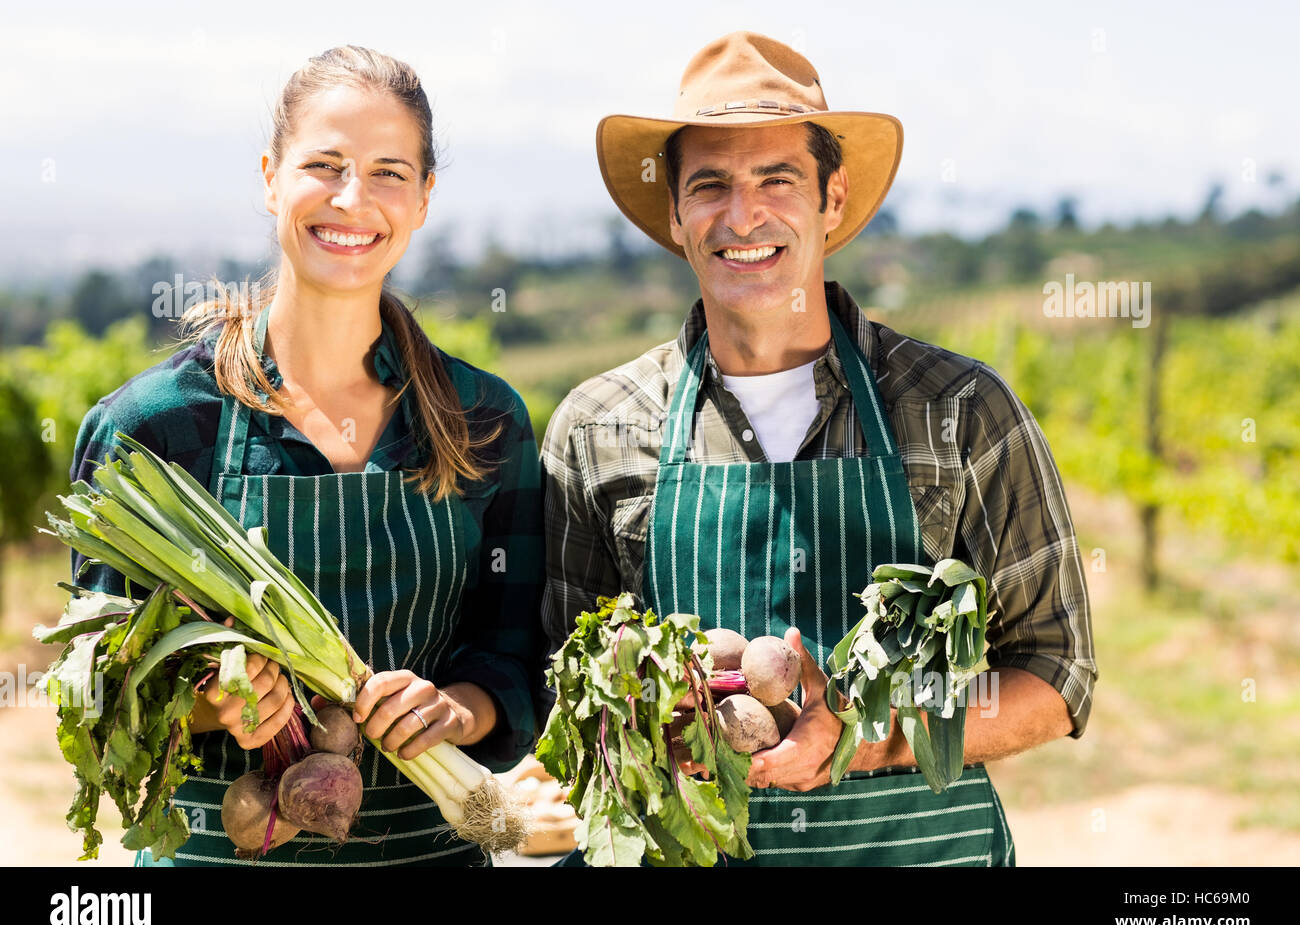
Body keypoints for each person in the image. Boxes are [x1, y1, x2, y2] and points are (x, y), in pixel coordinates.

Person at [541, 31, 1097, 865]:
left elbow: (1057, 675)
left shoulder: (961, 411)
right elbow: (564, 683)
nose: (743, 215)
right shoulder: (598, 427)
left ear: (832, 200)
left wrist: (867, 735)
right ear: (674, 212)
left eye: (778, 180)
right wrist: (650, 716)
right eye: (710, 186)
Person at [69, 46, 546, 866]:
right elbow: (95, 695)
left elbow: (515, 654)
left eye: (389, 172)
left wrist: (457, 713)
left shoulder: (483, 417)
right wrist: (212, 700)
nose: (352, 199)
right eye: (323, 165)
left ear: (426, 197)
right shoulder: (153, 429)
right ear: (270, 178)